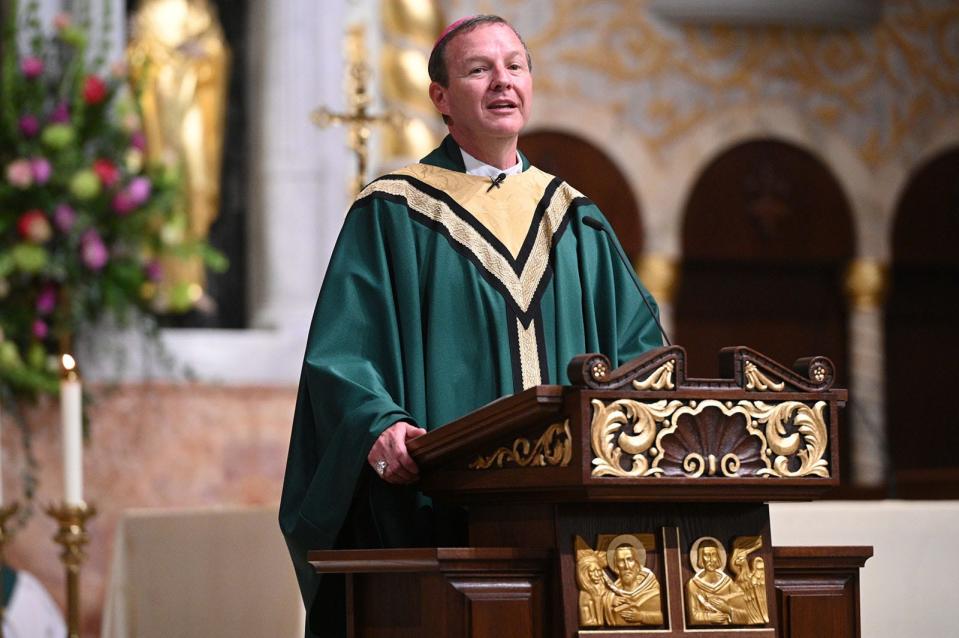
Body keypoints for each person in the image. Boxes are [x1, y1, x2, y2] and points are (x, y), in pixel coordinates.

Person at [279, 14, 663, 637]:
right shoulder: (394, 211)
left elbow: (644, 357)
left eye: (515, 66)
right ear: (441, 98)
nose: (502, 82)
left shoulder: (576, 221)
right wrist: (378, 426)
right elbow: (342, 354)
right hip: (443, 516)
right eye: (479, 69)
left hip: (574, 536)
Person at [686, 539, 751, 625]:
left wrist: (727, 609)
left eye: (714, 555)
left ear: (718, 557)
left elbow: (746, 616)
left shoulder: (728, 582)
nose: (711, 559)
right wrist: (710, 617)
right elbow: (693, 617)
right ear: (701, 558)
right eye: (707, 555)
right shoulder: (693, 584)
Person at [602, 543, 663, 625]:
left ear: (637, 563)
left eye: (630, 560)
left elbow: (662, 618)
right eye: (621, 561)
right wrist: (610, 600)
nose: (627, 566)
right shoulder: (612, 593)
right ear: (616, 566)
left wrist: (641, 616)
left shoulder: (651, 587)